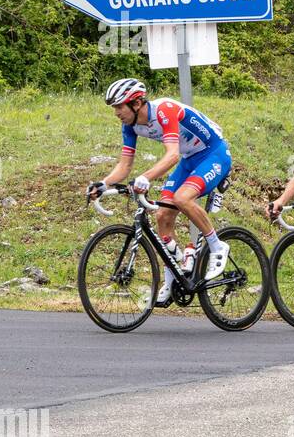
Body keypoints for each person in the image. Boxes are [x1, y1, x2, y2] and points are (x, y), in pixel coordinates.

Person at [89, 78, 231, 305]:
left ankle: (217, 246)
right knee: (163, 215)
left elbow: (172, 154)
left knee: (182, 197)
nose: (116, 112)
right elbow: (125, 165)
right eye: (114, 108)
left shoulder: (164, 110)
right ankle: (172, 278)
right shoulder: (130, 125)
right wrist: (103, 184)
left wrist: (146, 176)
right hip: (189, 159)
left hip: (213, 153)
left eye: (119, 107)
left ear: (136, 103)